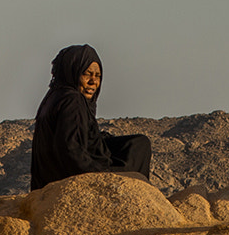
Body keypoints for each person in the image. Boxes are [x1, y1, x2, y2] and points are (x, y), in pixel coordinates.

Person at [30, 44, 153, 190]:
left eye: (98, 76)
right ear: (73, 72)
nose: (93, 81)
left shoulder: (54, 97)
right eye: (87, 74)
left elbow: (78, 137)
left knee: (135, 144)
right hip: (69, 178)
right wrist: (99, 176)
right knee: (140, 148)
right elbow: (70, 150)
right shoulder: (72, 100)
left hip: (52, 177)